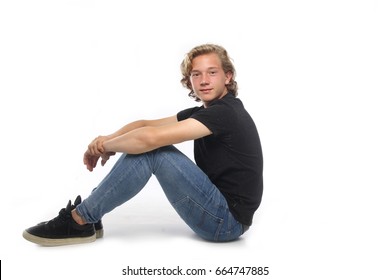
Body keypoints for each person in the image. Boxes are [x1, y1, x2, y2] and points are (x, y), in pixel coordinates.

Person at [23, 43, 263, 246]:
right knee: (150, 146)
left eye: (212, 72)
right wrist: (105, 139)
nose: (204, 80)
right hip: (220, 211)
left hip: (225, 222)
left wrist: (107, 147)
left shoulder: (225, 113)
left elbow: (148, 138)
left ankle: (80, 220)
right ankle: (88, 216)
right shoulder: (203, 112)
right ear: (189, 81)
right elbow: (145, 124)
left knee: (154, 151)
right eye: (196, 74)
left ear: (227, 77)